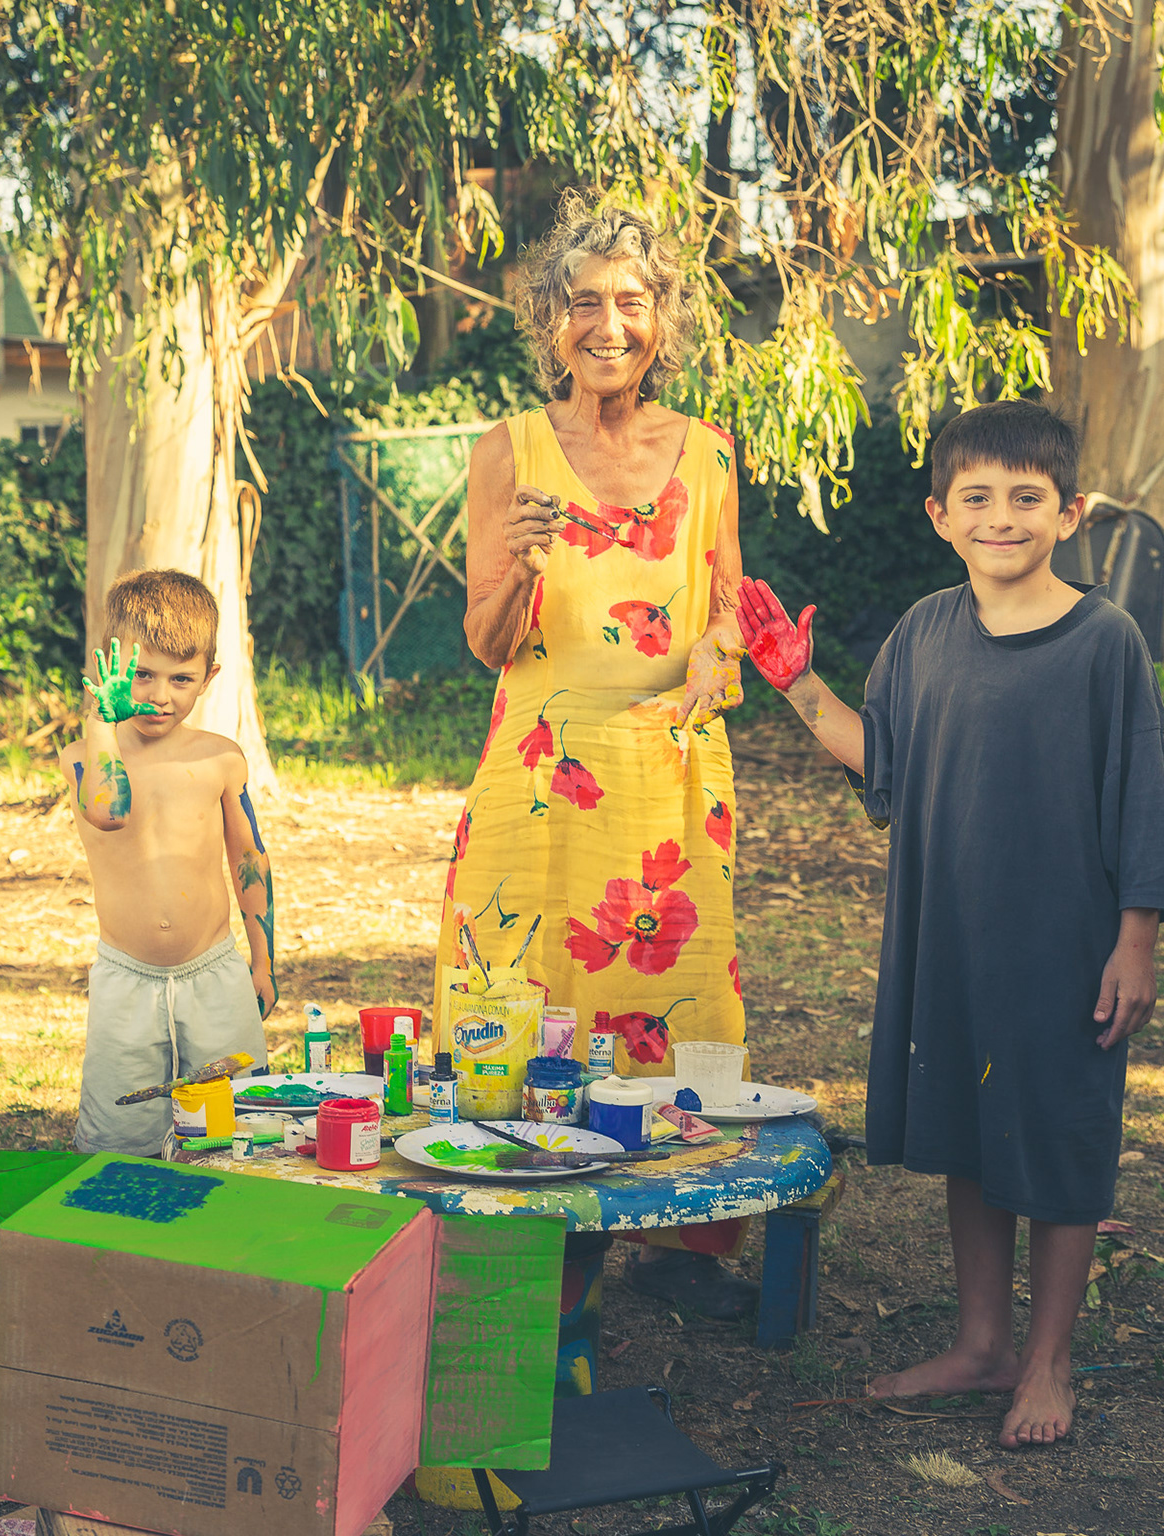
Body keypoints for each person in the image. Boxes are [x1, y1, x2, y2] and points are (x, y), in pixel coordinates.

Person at [738, 399, 1164, 1448]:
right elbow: (882, 756)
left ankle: (1049, 1359)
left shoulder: (1106, 641)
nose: (1002, 516)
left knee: (1059, 1139)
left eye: (1027, 498)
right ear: (939, 513)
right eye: (978, 497)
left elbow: (1143, 795)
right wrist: (794, 684)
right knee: (974, 1135)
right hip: (952, 936)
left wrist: (1138, 938)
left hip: (1067, 942)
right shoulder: (927, 631)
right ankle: (983, 1343)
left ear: (1067, 512)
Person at [441, 191, 756, 1317]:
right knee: (524, 987)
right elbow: (488, 641)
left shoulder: (710, 454)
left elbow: (725, 614)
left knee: (675, 990)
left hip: (666, 772)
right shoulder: (510, 452)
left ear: (663, 319)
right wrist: (518, 565)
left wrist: (715, 665)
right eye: (583, 304)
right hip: (540, 773)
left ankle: (682, 1241)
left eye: (632, 302)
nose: (607, 324)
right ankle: (530, 1237)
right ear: (551, 325)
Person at [60, 570, 276, 1154]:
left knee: (238, 1127)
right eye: (142, 674)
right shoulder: (84, 756)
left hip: (213, 970)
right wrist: (102, 719)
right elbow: (110, 811)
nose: (159, 695)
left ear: (209, 678)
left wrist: (263, 961)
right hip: (126, 978)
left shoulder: (219, 758)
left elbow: (250, 860)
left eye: (181, 679)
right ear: (110, 666)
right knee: (119, 1135)